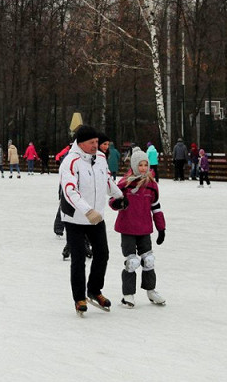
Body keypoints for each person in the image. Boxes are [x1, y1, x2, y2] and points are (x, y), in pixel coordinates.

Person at [60, 125, 126, 316]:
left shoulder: (101, 158)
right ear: (81, 143)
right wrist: (87, 211)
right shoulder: (71, 162)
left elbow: (106, 181)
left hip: (96, 216)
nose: (96, 146)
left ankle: (94, 290)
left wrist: (119, 195)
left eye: (97, 142)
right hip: (74, 218)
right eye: (92, 143)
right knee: (79, 258)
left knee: (102, 254)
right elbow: (70, 190)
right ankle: (79, 297)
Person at [114, 148, 167, 308]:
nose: (144, 168)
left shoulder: (151, 185)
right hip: (128, 228)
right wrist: (116, 203)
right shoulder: (125, 184)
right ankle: (128, 294)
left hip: (144, 228)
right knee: (132, 262)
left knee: (148, 260)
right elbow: (113, 200)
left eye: (146, 165)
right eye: (140, 165)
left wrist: (161, 228)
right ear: (134, 165)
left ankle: (151, 290)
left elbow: (156, 208)